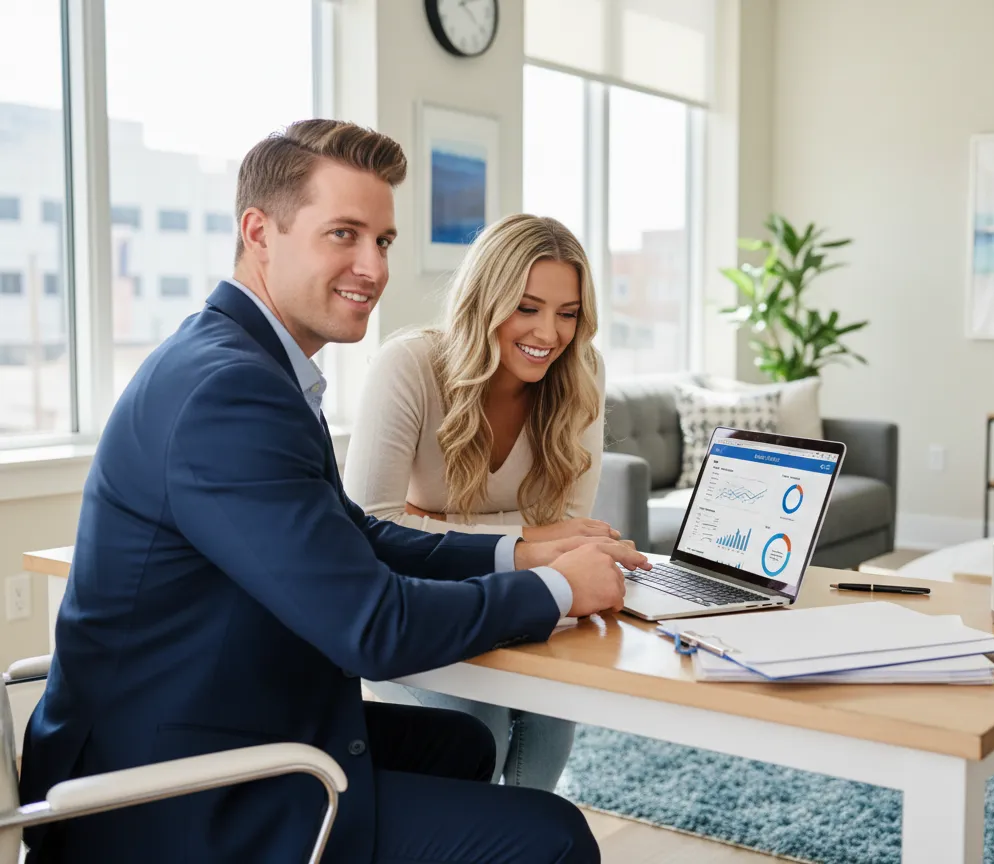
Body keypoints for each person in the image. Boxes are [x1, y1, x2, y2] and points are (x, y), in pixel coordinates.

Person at [18, 119, 649, 864]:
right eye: (343, 234)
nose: (372, 267)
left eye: (381, 241)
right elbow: (373, 629)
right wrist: (554, 591)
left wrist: (514, 554)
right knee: (554, 838)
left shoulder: (253, 364)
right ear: (260, 232)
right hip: (166, 791)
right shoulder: (231, 391)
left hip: (220, 718)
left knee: (459, 744)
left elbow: (361, 535)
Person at [343, 214, 612, 792]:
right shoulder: (410, 367)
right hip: (420, 612)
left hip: (522, 606)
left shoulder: (581, 378)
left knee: (550, 719)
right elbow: (367, 526)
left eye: (568, 314)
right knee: (477, 727)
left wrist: (442, 523)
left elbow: (570, 532)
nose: (549, 333)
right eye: (527, 306)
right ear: (485, 299)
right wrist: (533, 539)